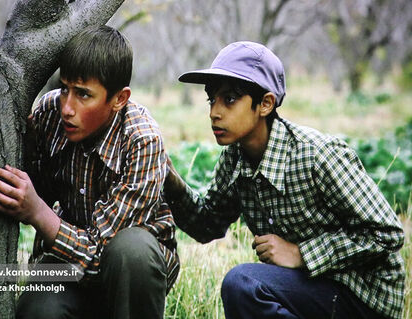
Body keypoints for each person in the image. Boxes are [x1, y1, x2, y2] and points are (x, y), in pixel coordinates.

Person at [164, 41, 405, 319]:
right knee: (243, 289)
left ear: (265, 104)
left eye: (229, 99)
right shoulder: (235, 158)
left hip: (364, 297)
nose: (214, 112)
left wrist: (301, 254)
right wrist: (169, 179)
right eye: (212, 99)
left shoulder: (317, 155)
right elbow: (207, 225)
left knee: (243, 283)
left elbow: (387, 233)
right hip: (309, 291)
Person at [0, 25, 179, 319]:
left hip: (127, 271)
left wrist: (37, 211)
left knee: (132, 249)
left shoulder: (142, 141)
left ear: (119, 99)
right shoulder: (50, 114)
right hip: (66, 260)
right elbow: (41, 188)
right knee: (36, 310)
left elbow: (100, 254)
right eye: (64, 88)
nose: (67, 107)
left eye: (83, 94)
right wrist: (27, 144)